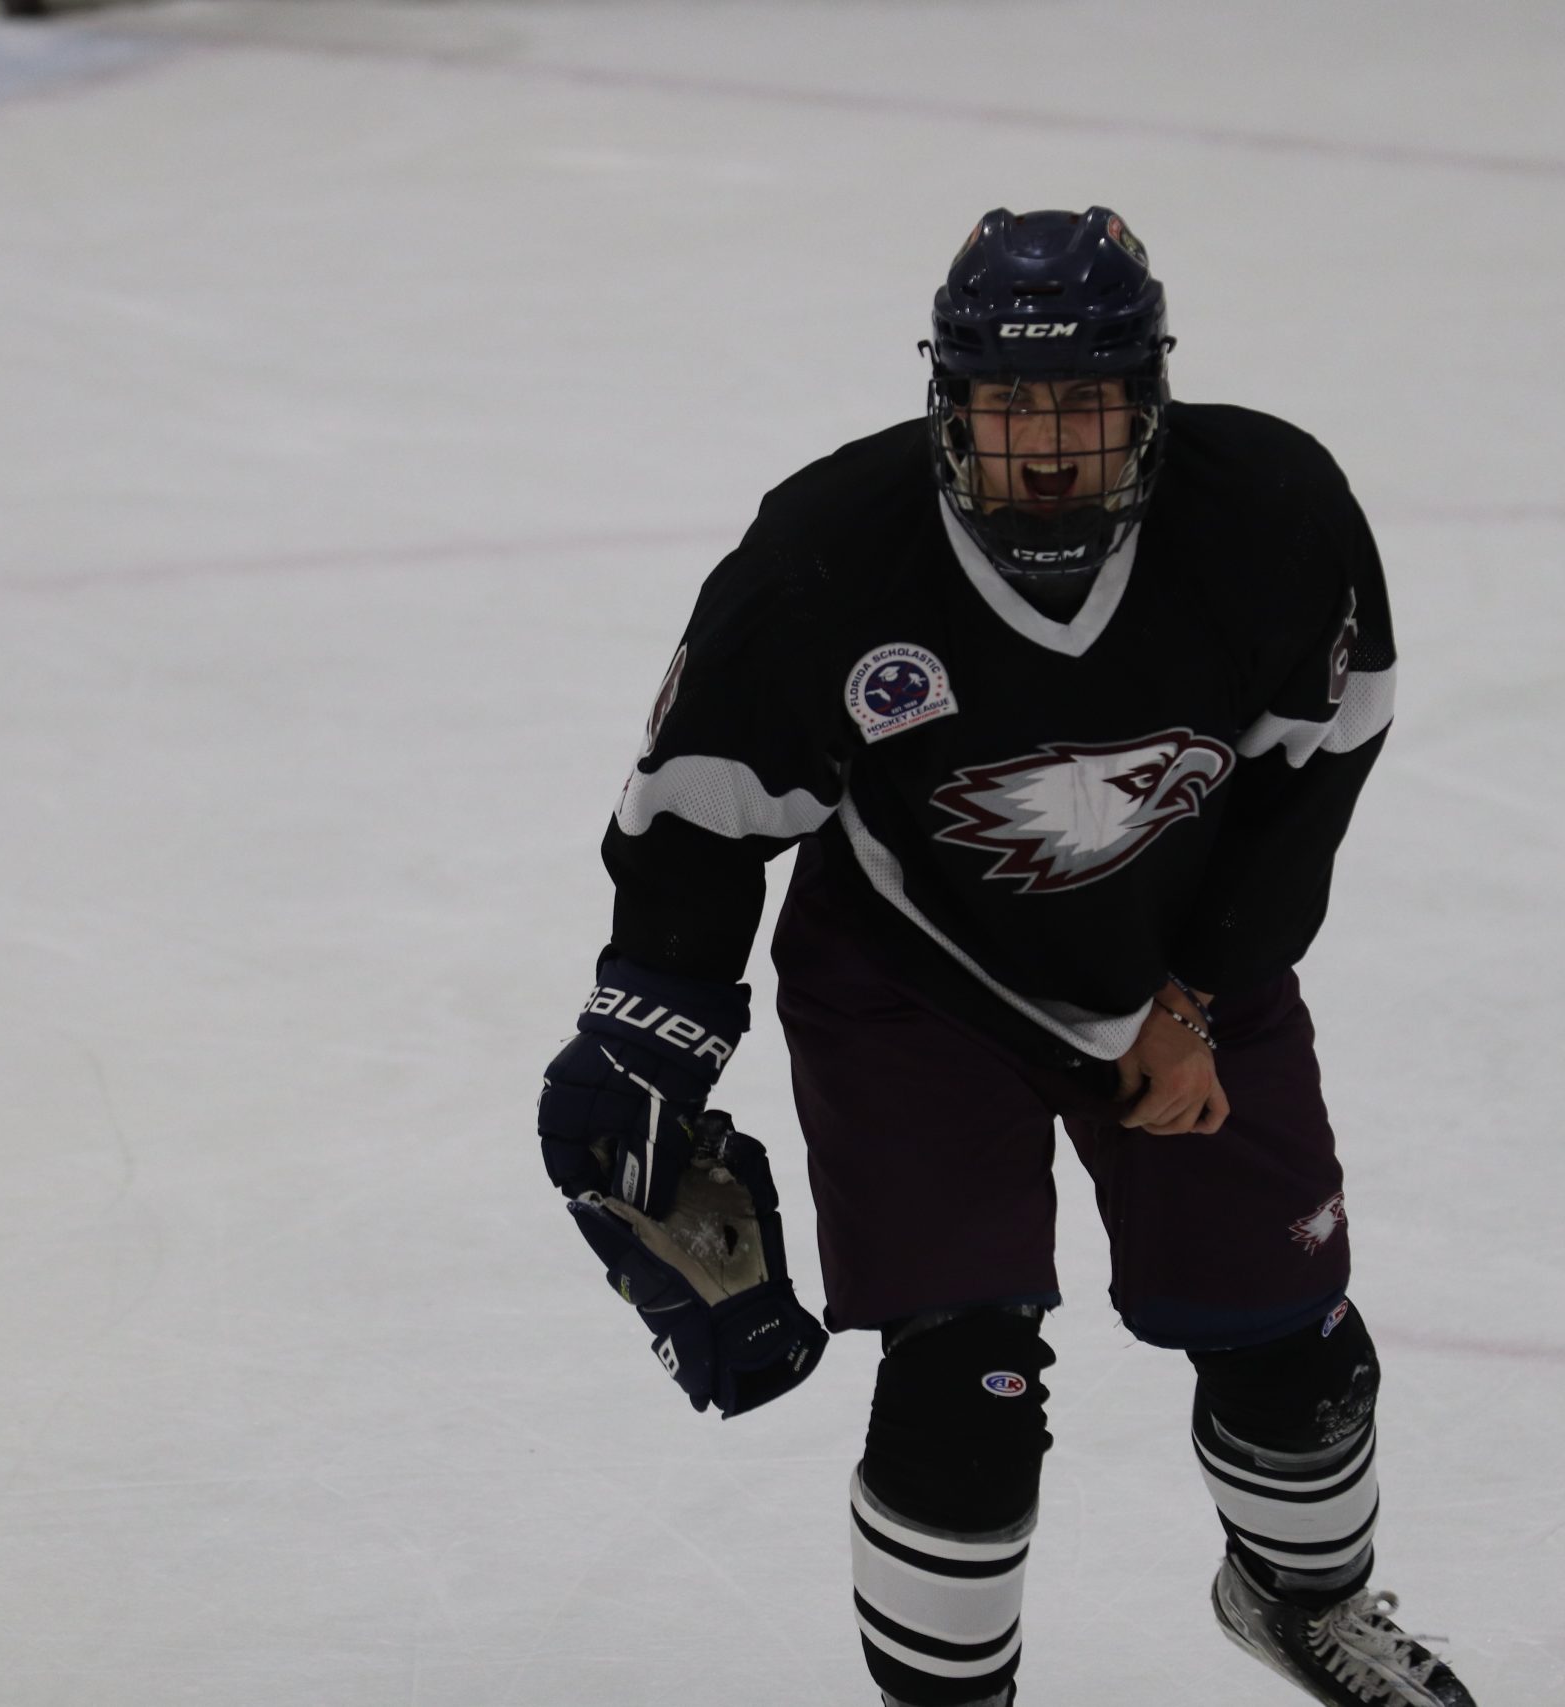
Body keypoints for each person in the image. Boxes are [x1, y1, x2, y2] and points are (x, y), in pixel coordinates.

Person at [539, 206, 1476, 1707]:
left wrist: (1199, 994)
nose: (1046, 443)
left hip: (1177, 965)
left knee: (1291, 1356)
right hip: (911, 989)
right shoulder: (832, 556)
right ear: (949, 400)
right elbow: (697, 823)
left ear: (1151, 400)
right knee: (961, 1397)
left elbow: (1321, 769)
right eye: (1011, 401)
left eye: (1085, 402)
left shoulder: (1276, 517)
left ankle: (1305, 1604)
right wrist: (646, 1036)